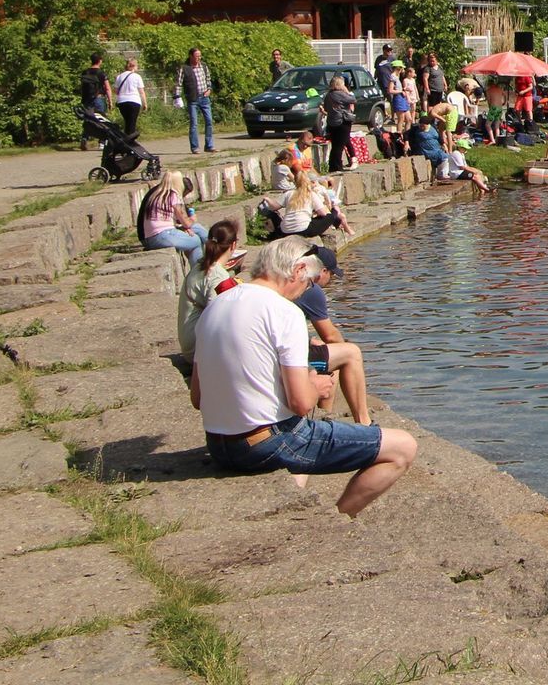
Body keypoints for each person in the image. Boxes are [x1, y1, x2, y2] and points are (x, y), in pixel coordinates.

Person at [190, 236, 416, 516]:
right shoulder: (284, 312)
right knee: (403, 447)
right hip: (265, 445)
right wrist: (316, 386)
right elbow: (301, 403)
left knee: (303, 430)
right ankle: (337, 518)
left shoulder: (215, 306)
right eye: (308, 281)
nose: (305, 289)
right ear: (297, 270)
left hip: (219, 445)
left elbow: (198, 398)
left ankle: (295, 505)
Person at [293, 245, 374, 425]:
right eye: (331, 274)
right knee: (348, 354)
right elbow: (330, 336)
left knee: (329, 351)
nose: (330, 280)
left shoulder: (289, 280)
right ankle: (362, 421)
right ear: (322, 271)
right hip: (289, 358)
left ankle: (324, 414)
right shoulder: (312, 290)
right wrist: (345, 348)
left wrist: (309, 340)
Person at [178, 219, 246, 367]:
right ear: (233, 245)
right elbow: (217, 317)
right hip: (198, 350)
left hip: (190, 342)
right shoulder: (217, 275)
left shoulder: (201, 265)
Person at [140, 169, 206, 262]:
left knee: (196, 231)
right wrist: (193, 219)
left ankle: (206, 262)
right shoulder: (173, 195)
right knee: (196, 240)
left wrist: (184, 228)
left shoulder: (156, 194)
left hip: (151, 236)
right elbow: (187, 223)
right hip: (162, 235)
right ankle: (216, 253)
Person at [178, 47, 216, 153]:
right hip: (193, 99)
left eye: (200, 56)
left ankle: (209, 145)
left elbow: (208, 79)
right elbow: (178, 83)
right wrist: (177, 97)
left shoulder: (203, 66)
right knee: (194, 123)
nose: (199, 58)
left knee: (209, 121)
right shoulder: (184, 68)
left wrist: (209, 89)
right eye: (196, 56)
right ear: (191, 56)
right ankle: (195, 147)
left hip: (204, 97)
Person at [77, 51, 112, 150]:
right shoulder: (101, 73)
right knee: (101, 120)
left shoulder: (85, 72)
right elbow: (107, 88)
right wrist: (110, 101)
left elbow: (81, 86)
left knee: (88, 119)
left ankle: (84, 138)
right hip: (99, 98)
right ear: (100, 61)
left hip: (87, 99)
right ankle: (102, 142)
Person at [322, 74, 357, 172]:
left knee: (335, 145)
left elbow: (326, 108)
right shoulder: (340, 94)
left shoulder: (328, 95)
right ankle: (337, 166)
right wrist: (347, 91)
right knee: (340, 146)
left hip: (332, 122)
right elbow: (353, 100)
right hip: (342, 122)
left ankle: (332, 166)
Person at [113, 56, 146, 141]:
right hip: (134, 101)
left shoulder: (119, 76)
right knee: (132, 122)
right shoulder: (137, 76)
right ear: (134, 66)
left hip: (122, 102)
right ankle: (130, 141)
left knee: (127, 122)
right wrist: (145, 103)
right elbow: (141, 92)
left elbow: (116, 91)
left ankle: (126, 139)